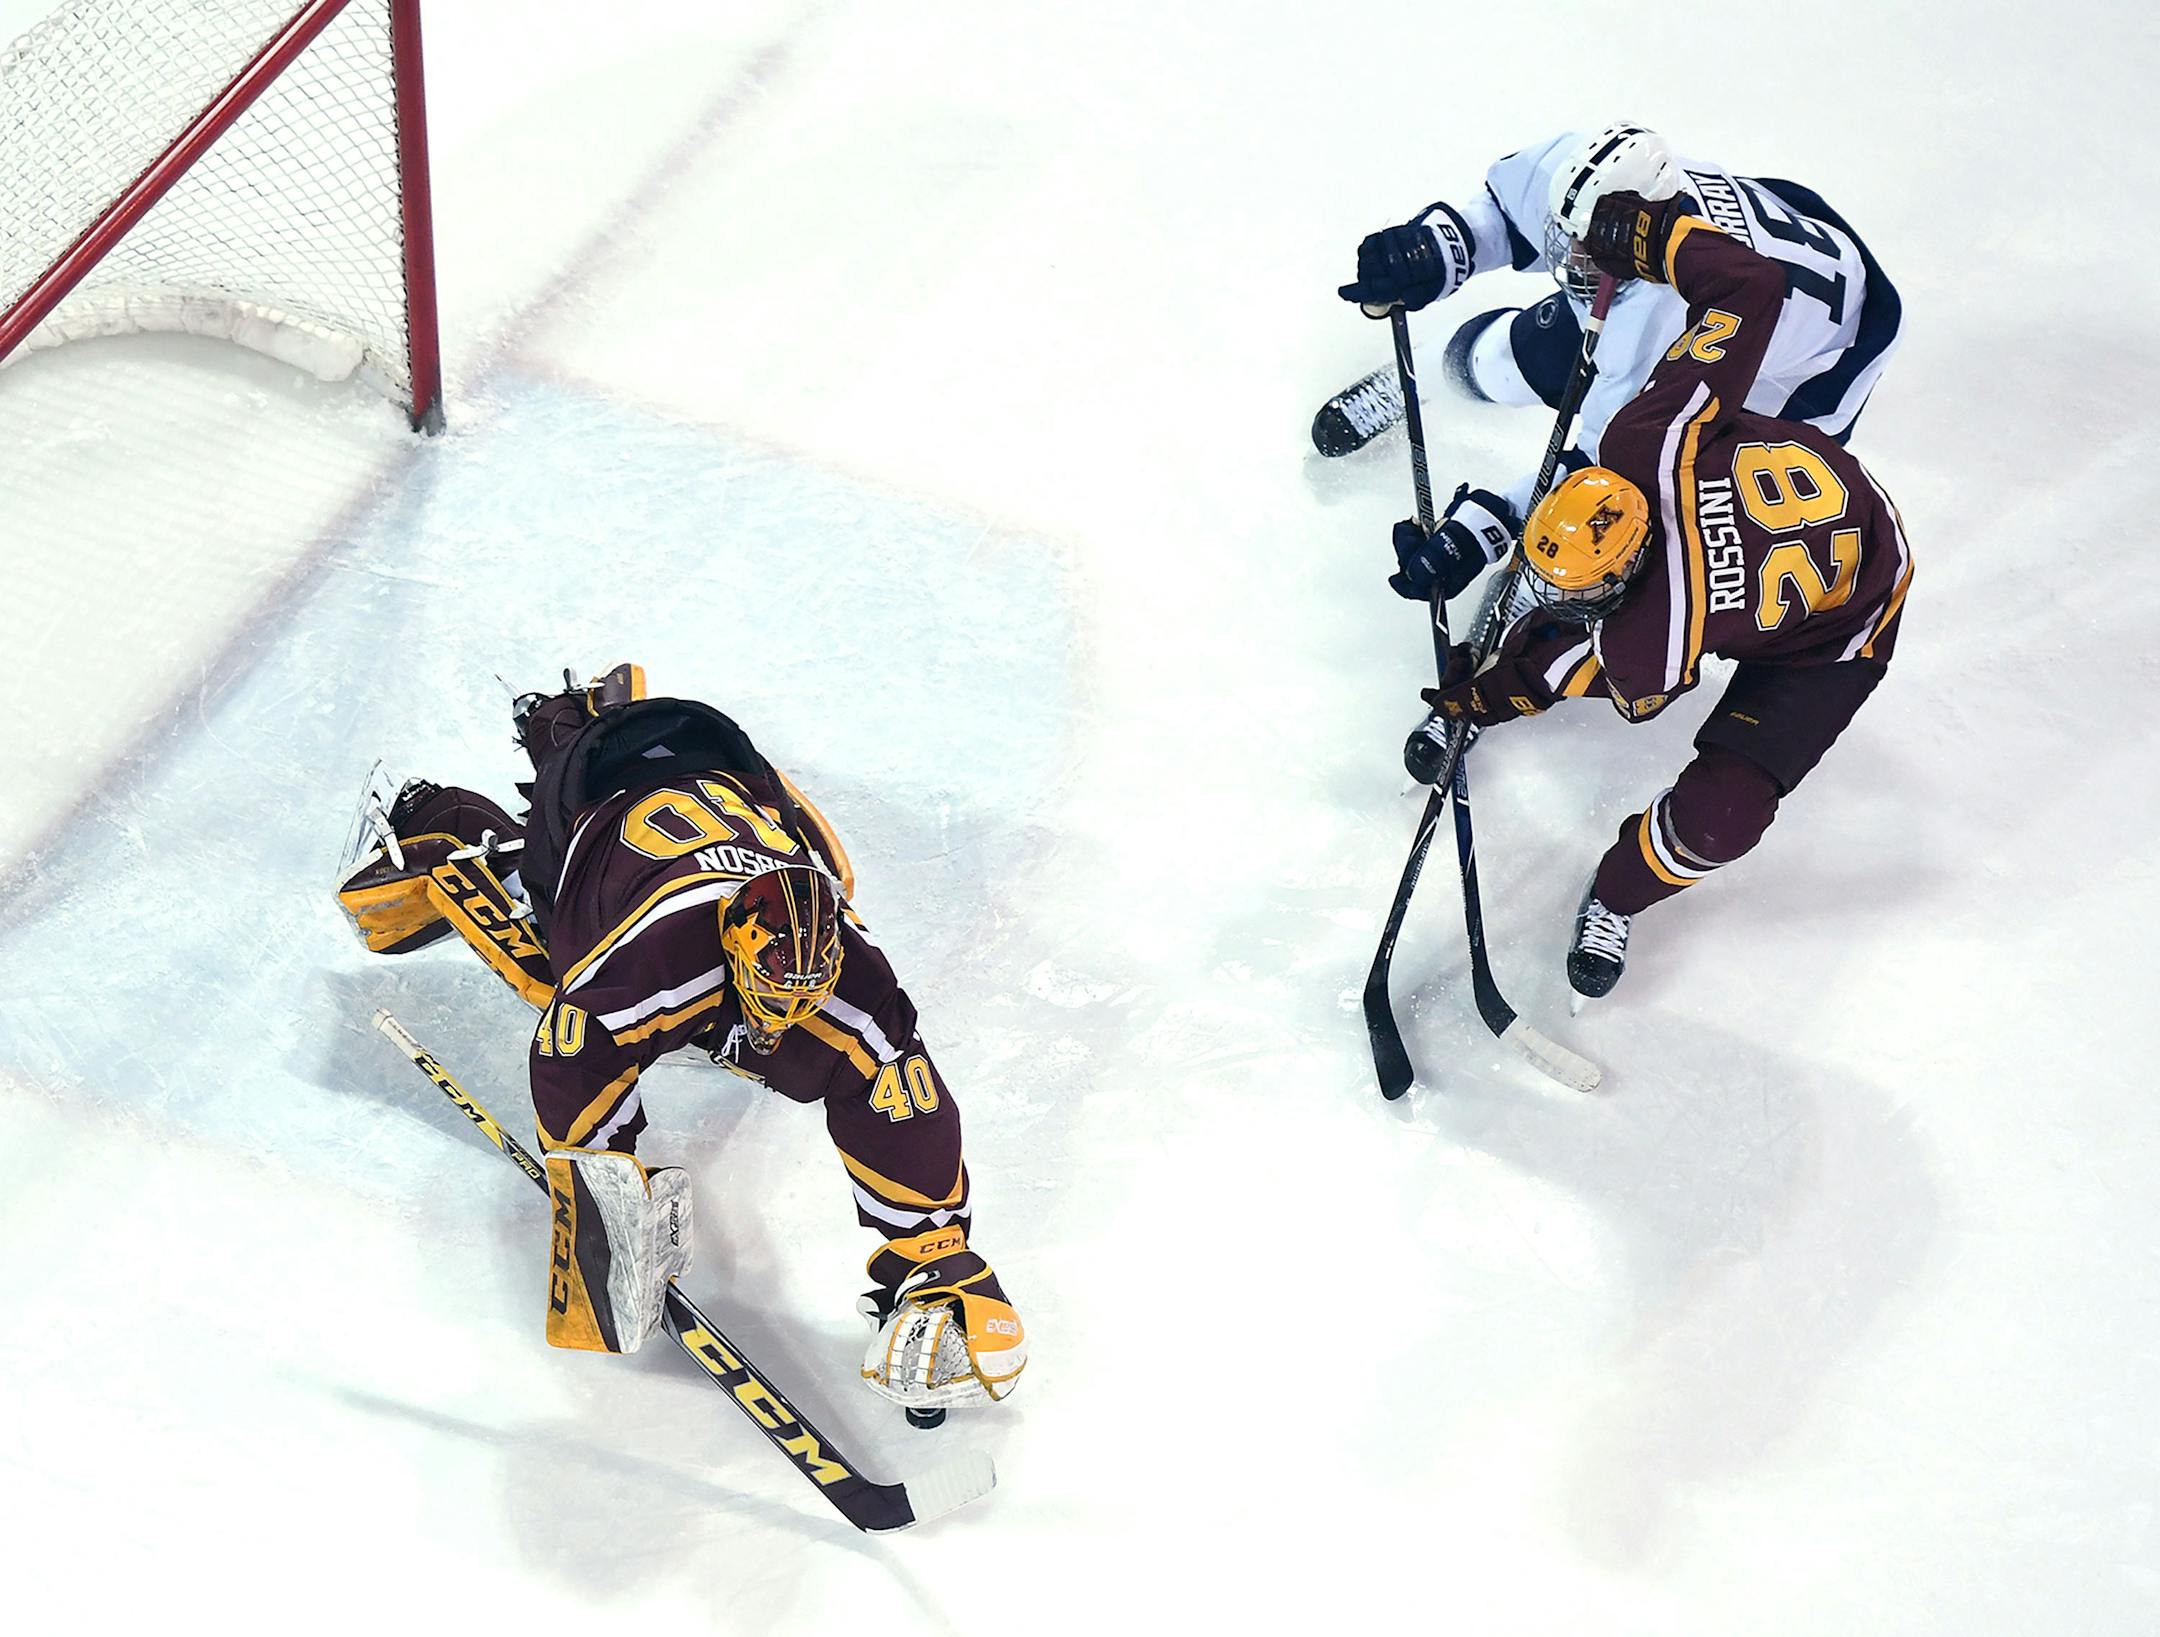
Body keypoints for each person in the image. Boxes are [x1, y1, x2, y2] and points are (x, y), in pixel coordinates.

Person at [336, 665, 1026, 1413]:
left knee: (838, 988)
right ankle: (448, 809)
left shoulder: (851, 973)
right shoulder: (654, 962)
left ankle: (570, 717)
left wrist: (937, 1261)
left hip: (724, 775)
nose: (781, 1015)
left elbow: (900, 1089)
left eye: (805, 991)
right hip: (598, 803)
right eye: (770, 992)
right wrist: (605, 1191)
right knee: (548, 955)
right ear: (731, 942)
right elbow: (569, 1047)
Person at [1400, 181, 1915, 999]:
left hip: (1844, 625)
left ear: (1625, 584)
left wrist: (1484, 697)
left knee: (1723, 818)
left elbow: (1558, 668)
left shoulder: (1655, 641)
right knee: (1559, 606)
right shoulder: (1650, 434)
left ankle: (1616, 896)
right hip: (1812, 504)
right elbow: (1752, 284)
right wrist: (1651, 233)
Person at [1320, 124, 1903, 500]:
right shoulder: (1578, 174)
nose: (1569, 259)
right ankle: (1424, 378)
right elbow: (1503, 212)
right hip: (1777, 264)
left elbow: (1609, 468)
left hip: (1798, 386)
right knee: (1514, 360)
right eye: (1566, 234)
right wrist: (1433, 250)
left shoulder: (1658, 319)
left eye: (1589, 247)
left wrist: (1492, 525)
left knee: (1670, 508)